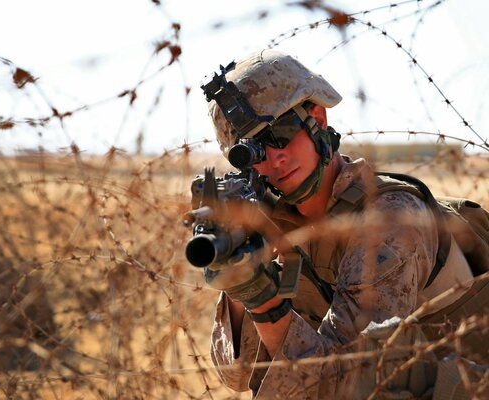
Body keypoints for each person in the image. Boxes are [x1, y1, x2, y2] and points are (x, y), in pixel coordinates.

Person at [198, 49, 488, 399]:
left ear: (317, 119)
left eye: (281, 134)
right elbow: (238, 375)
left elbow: (345, 381)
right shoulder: (283, 229)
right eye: (253, 151)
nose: (275, 159)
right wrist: (238, 279)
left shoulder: (391, 219)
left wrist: (264, 302)